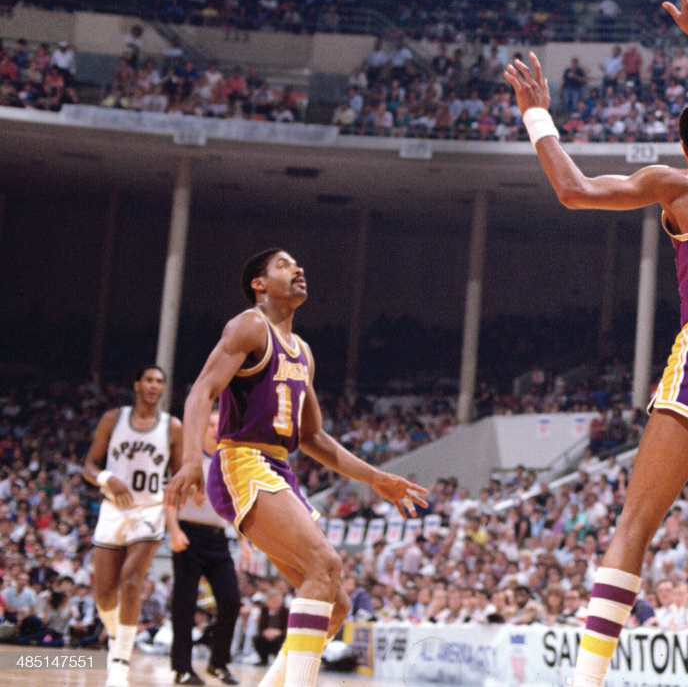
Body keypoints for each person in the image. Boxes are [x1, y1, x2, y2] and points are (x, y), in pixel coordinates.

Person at [504, 0, 688, 687]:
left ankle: (585, 682)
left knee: (635, 524)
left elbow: (573, 191)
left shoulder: (684, 182)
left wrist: (538, 114)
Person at [164, 250, 429, 687]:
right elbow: (201, 391)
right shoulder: (250, 325)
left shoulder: (303, 351)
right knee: (324, 562)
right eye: (285, 265)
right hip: (241, 460)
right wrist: (193, 458)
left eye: (299, 265)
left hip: (277, 467)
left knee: (335, 602)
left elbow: (314, 439)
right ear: (260, 284)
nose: (299, 269)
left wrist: (378, 478)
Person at [83, 366, 183, 687]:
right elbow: (88, 465)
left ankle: (120, 664)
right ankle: (117, 637)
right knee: (104, 593)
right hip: (114, 509)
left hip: (149, 511)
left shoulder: (172, 427)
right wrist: (106, 478)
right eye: (149, 380)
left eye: (160, 382)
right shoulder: (114, 418)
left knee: (131, 581)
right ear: (137, 384)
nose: (154, 386)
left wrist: (177, 509)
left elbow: (178, 478)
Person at [167, 410, 248, 685]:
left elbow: (237, 507)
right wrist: (173, 529)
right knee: (185, 604)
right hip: (188, 534)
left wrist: (244, 542)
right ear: (202, 429)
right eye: (211, 424)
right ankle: (182, 668)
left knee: (231, 600)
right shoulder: (189, 460)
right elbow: (168, 497)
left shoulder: (228, 462)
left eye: (220, 424)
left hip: (218, 537)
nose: (216, 428)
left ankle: (218, 663)